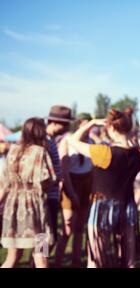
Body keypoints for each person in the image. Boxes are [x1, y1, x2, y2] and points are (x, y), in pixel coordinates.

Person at [67, 108, 140, 268]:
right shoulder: (137, 152)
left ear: (112, 128)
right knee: (129, 261)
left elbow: (72, 140)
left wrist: (91, 123)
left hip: (102, 208)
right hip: (127, 207)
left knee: (95, 261)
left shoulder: (104, 152)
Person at [0, 118, 56, 268]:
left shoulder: (12, 150)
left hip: (12, 209)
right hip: (36, 211)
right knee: (41, 258)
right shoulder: (41, 152)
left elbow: (4, 182)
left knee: (12, 258)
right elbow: (48, 180)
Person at [54, 113, 94, 267]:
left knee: (80, 228)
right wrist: (71, 193)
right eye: (85, 124)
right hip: (71, 184)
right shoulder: (68, 142)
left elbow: (93, 168)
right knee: (68, 227)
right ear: (78, 125)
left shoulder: (91, 142)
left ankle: (76, 261)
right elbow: (64, 171)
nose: (88, 129)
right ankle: (57, 261)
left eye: (90, 125)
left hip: (87, 184)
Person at [45, 105, 75, 250]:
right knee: (44, 241)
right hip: (45, 199)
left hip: (51, 197)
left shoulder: (50, 140)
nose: (68, 127)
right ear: (55, 122)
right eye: (66, 123)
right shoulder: (44, 141)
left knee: (47, 240)